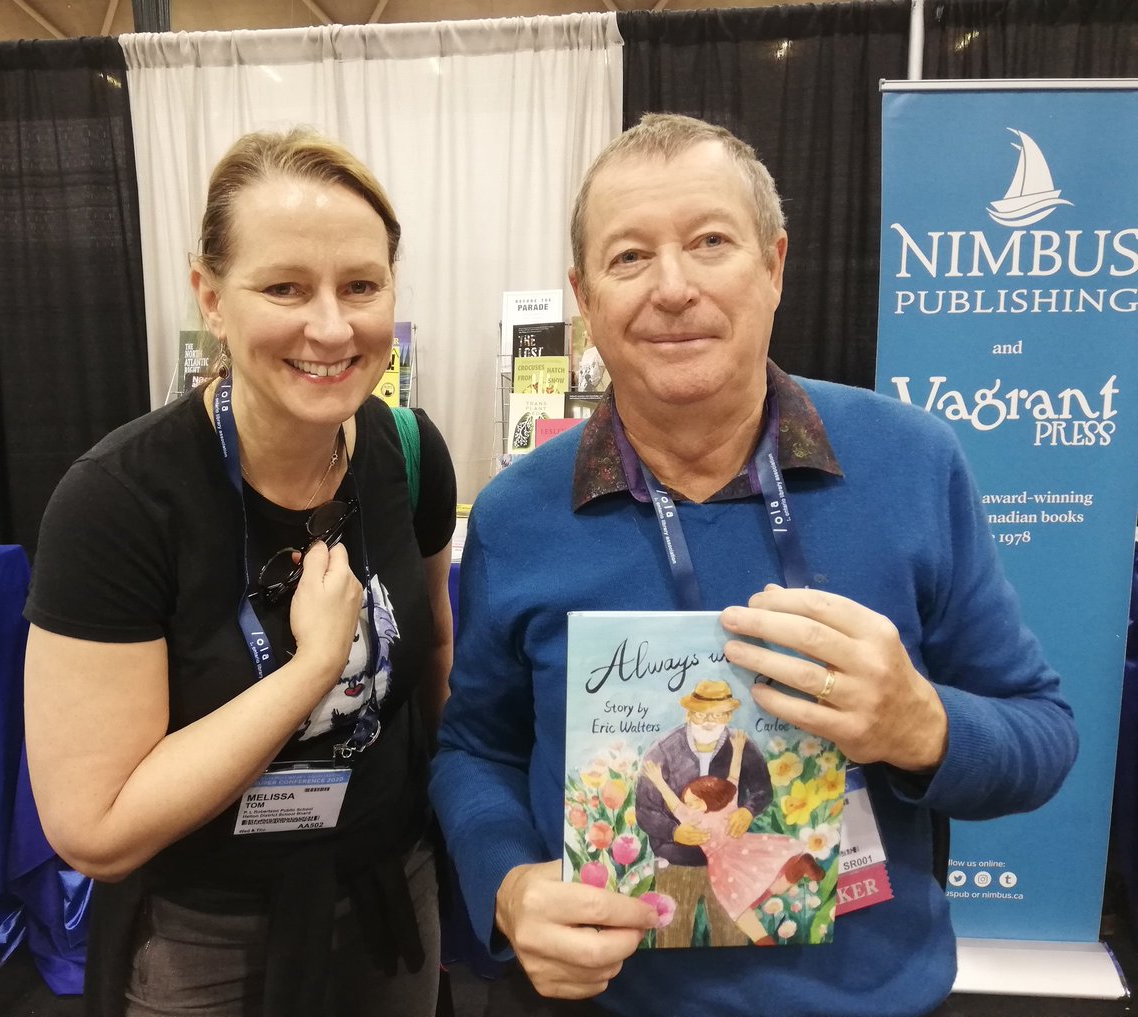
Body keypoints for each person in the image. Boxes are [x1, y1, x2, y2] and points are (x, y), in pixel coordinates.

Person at [430, 113, 1077, 1017]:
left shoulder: (912, 463)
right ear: (584, 296)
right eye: (628, 257)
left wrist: (922, 725)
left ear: (774, 266)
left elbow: (1043, 733)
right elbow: (476, 749)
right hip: (601, 1000)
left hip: (872, 1000)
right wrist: (507, 883)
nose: (673, 288)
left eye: (710, 242)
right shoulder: (520, 512)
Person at [24, 128, 456, 1017]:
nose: (331, 326)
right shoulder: (119, 502)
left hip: (391, 896)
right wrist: (310, 669)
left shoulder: (407, 451)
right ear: (211, 298)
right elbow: (92, 828)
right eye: (285, 287)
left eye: (361, 286)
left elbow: (436, 649)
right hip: (205, 939)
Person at [633, 679, 773, 948]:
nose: (709, 721)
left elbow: (762, 790)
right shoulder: (663, 751)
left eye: (718, 715)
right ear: (689, 713)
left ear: (728, 715)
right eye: (701, 714)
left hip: (729, 863)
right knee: (671, 937)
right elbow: (645, 810)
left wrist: (747, 811)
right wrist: (675, 832)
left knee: (731, 939)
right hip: (677, 863)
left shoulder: (741, 746)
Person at [641, 742, 824, 948]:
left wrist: (658, 781)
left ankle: (763, 941)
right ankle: (800, 866)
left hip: (724, 867)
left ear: (708, 797)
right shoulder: (728, 805)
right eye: (688, 801)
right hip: (746, 850)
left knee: (739, 909)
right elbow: (733, 776)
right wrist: (737, 750)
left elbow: (673, 803)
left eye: (693, 801)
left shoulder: (692, 818)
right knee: (775, 886)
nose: (689, 805)